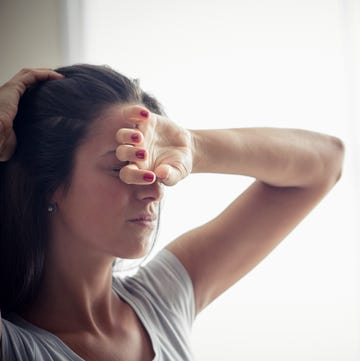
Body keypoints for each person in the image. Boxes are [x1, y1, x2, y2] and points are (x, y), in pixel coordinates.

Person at [0, 65, 344, 361]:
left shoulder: (162, 299)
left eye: (150, 165)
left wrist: (192, 147)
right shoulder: (14, 346)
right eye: (122, 166)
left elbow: (327, 161)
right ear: (49, 184)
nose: (154, 189)